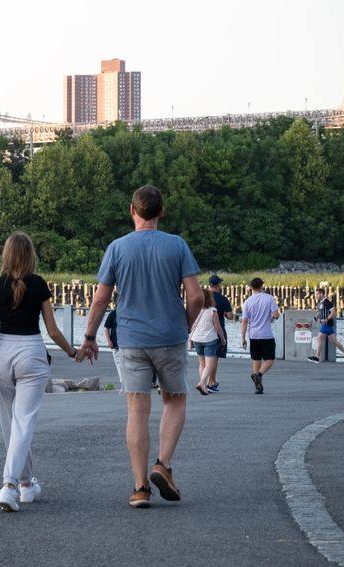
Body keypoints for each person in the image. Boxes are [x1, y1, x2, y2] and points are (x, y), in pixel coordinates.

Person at [76, 185, 203, 509]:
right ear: (161, 212)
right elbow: (197, 296)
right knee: (174, 402)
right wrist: (185, 324)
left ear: (132, 211)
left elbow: (102, 298)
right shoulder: (177, 246)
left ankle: (140, 487)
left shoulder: (117, 248)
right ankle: (162, 464)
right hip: (170, 339)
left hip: (131, 341)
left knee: (137, 411)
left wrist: (90, 336)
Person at [0, 233, 76, 512]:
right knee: (23, 422)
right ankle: (9, 485)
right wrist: (72, 352)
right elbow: (53, 330)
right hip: (31, 352)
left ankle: (25, 484)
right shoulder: (38, 284)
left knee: (11, 422)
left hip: (3, 351)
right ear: (30, 255)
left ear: (6, 255)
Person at [240, 278, 280, 394]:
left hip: (253, 335)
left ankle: (257, 386)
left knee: (256, 359)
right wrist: (273, 316)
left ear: (251, 287)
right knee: (270, 359)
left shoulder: (248, 301)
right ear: (262, 286)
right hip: (266, 334)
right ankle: (259, 375)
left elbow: (244, 321)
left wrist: (243, 338)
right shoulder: (269, 298)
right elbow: (276, 315)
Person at [189, 289, 227, 395]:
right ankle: (201, 383)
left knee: (201, 363)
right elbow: (218, 327)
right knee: (209, 365)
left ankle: (204, 386)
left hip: (197, 339)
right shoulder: (212, 310)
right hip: (209, 339)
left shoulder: (195, 309)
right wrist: (223, 339)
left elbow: (190, 325)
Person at [308, 288, 344, 364]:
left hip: (327, 324)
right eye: (315, 294)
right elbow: (321, 311)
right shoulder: (321, 303)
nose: (316, 296)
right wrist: (317, 316)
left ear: (321, 294)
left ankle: (317, 357)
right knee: (334, 341)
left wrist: (326, 319)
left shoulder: (327, 302)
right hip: (325, 324)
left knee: (319, 338)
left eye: (317, 294)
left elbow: (333, 312)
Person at [206, 275, 234, 391]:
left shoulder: (202, 297)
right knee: (214, 358)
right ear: (218, 285)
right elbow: (230, 316)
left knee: (203, 360)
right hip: (217, 331)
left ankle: (205, 381)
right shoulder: (222, 299)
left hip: (202, 331)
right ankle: (210, 382)